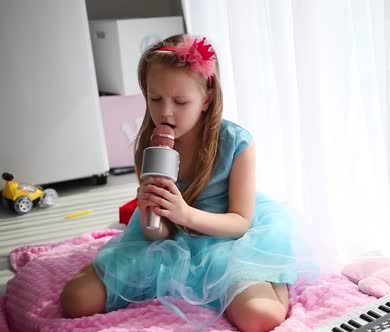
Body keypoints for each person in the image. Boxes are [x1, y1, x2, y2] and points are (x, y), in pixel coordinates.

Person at [60, 34, 312, 332]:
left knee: (261, 317)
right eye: (155, 99)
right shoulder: (149, 147)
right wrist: (152, 214)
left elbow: (240, 222)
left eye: (180, 102)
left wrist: (185, 214)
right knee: (76, 300)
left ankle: (272, 279)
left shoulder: (236, 143)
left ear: (206, 99)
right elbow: (160, 235)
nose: (165, 112)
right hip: (170, 238)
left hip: (224, 236)